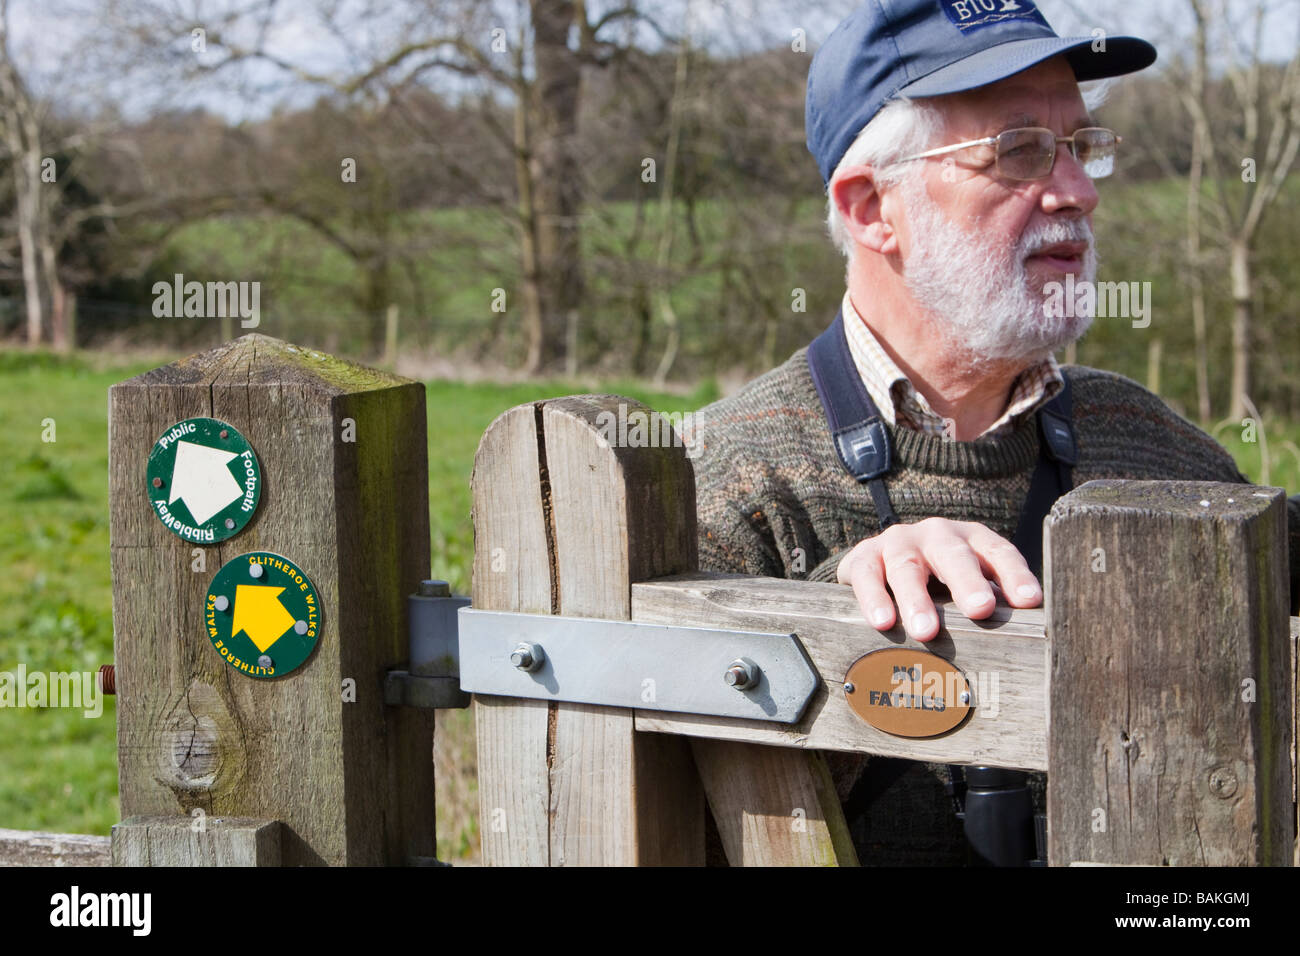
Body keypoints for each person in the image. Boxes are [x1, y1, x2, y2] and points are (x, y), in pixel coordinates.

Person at [685, 0, 1300, 864]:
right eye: (1019, 152)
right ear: (871, 209)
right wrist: (837, 616)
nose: (1078, 191)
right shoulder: (720, 485)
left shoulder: (1158, 448)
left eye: (1081, 146)